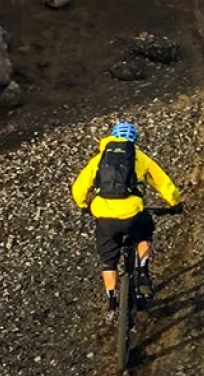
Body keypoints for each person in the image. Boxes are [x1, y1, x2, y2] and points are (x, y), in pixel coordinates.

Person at [71, 121, 183, 319]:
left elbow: (79, 188)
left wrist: (84, 205)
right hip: (131, 215)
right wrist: (175, 204)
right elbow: (163, 183)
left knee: (108, 262)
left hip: (104, 217)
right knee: (144, 231)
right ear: (134, 140)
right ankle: (143, 272)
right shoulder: (139, 158)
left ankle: (112, 304)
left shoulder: (99, 158)